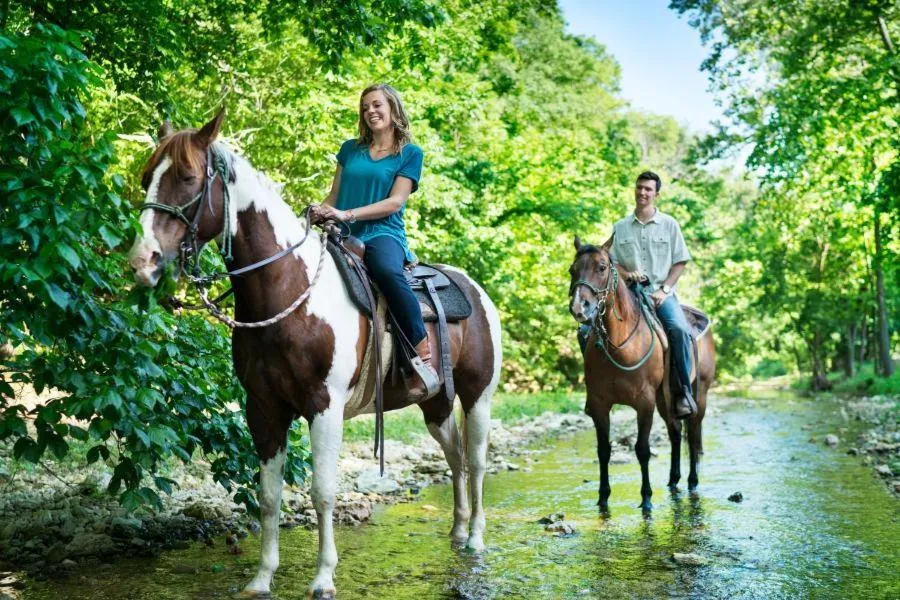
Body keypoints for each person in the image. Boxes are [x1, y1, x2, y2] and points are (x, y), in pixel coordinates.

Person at [314, 83, 439, 401]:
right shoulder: (349, 149)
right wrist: (320, 211)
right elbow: (334, 195)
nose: (370, 111)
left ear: (394, 110)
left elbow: (395, 202)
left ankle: (421, 355)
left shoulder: (409, 154)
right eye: (365, 107)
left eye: (377, 105)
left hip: (383, 234)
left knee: (386, 271)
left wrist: (346, 214)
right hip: (343, 234)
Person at [607, 171, 696, 419]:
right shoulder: (620, 227)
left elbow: (680, 262)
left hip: (661, 295)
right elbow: (612, 262)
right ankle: (598, 391)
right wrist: (626, 274)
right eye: (639, 188)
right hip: (629, 297)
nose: (642, 193)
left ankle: (683, 394)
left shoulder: (670, 224)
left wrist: (665, 289)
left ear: (656, 194)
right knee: (589, 330)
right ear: (634, 190)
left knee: (678, 329)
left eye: (648, 189)